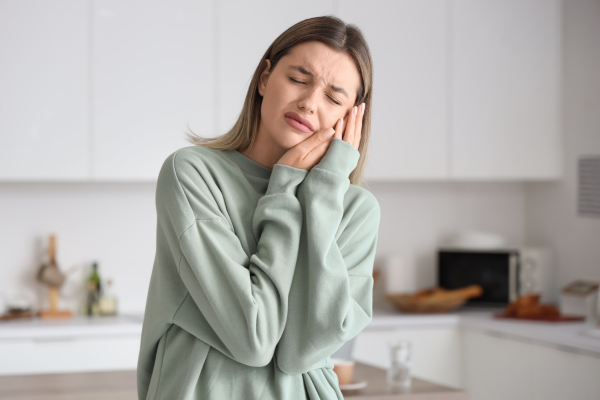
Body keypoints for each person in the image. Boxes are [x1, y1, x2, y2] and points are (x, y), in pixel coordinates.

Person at [137, 15, 381, 400]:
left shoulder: (357, 211)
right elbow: (253, 337)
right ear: (265, 77)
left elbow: (303, 350)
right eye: (299, 79)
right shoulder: (192, 174)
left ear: (351, 118)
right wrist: (283, 193)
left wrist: (320, 196)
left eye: (334, 98)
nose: (309, 103)